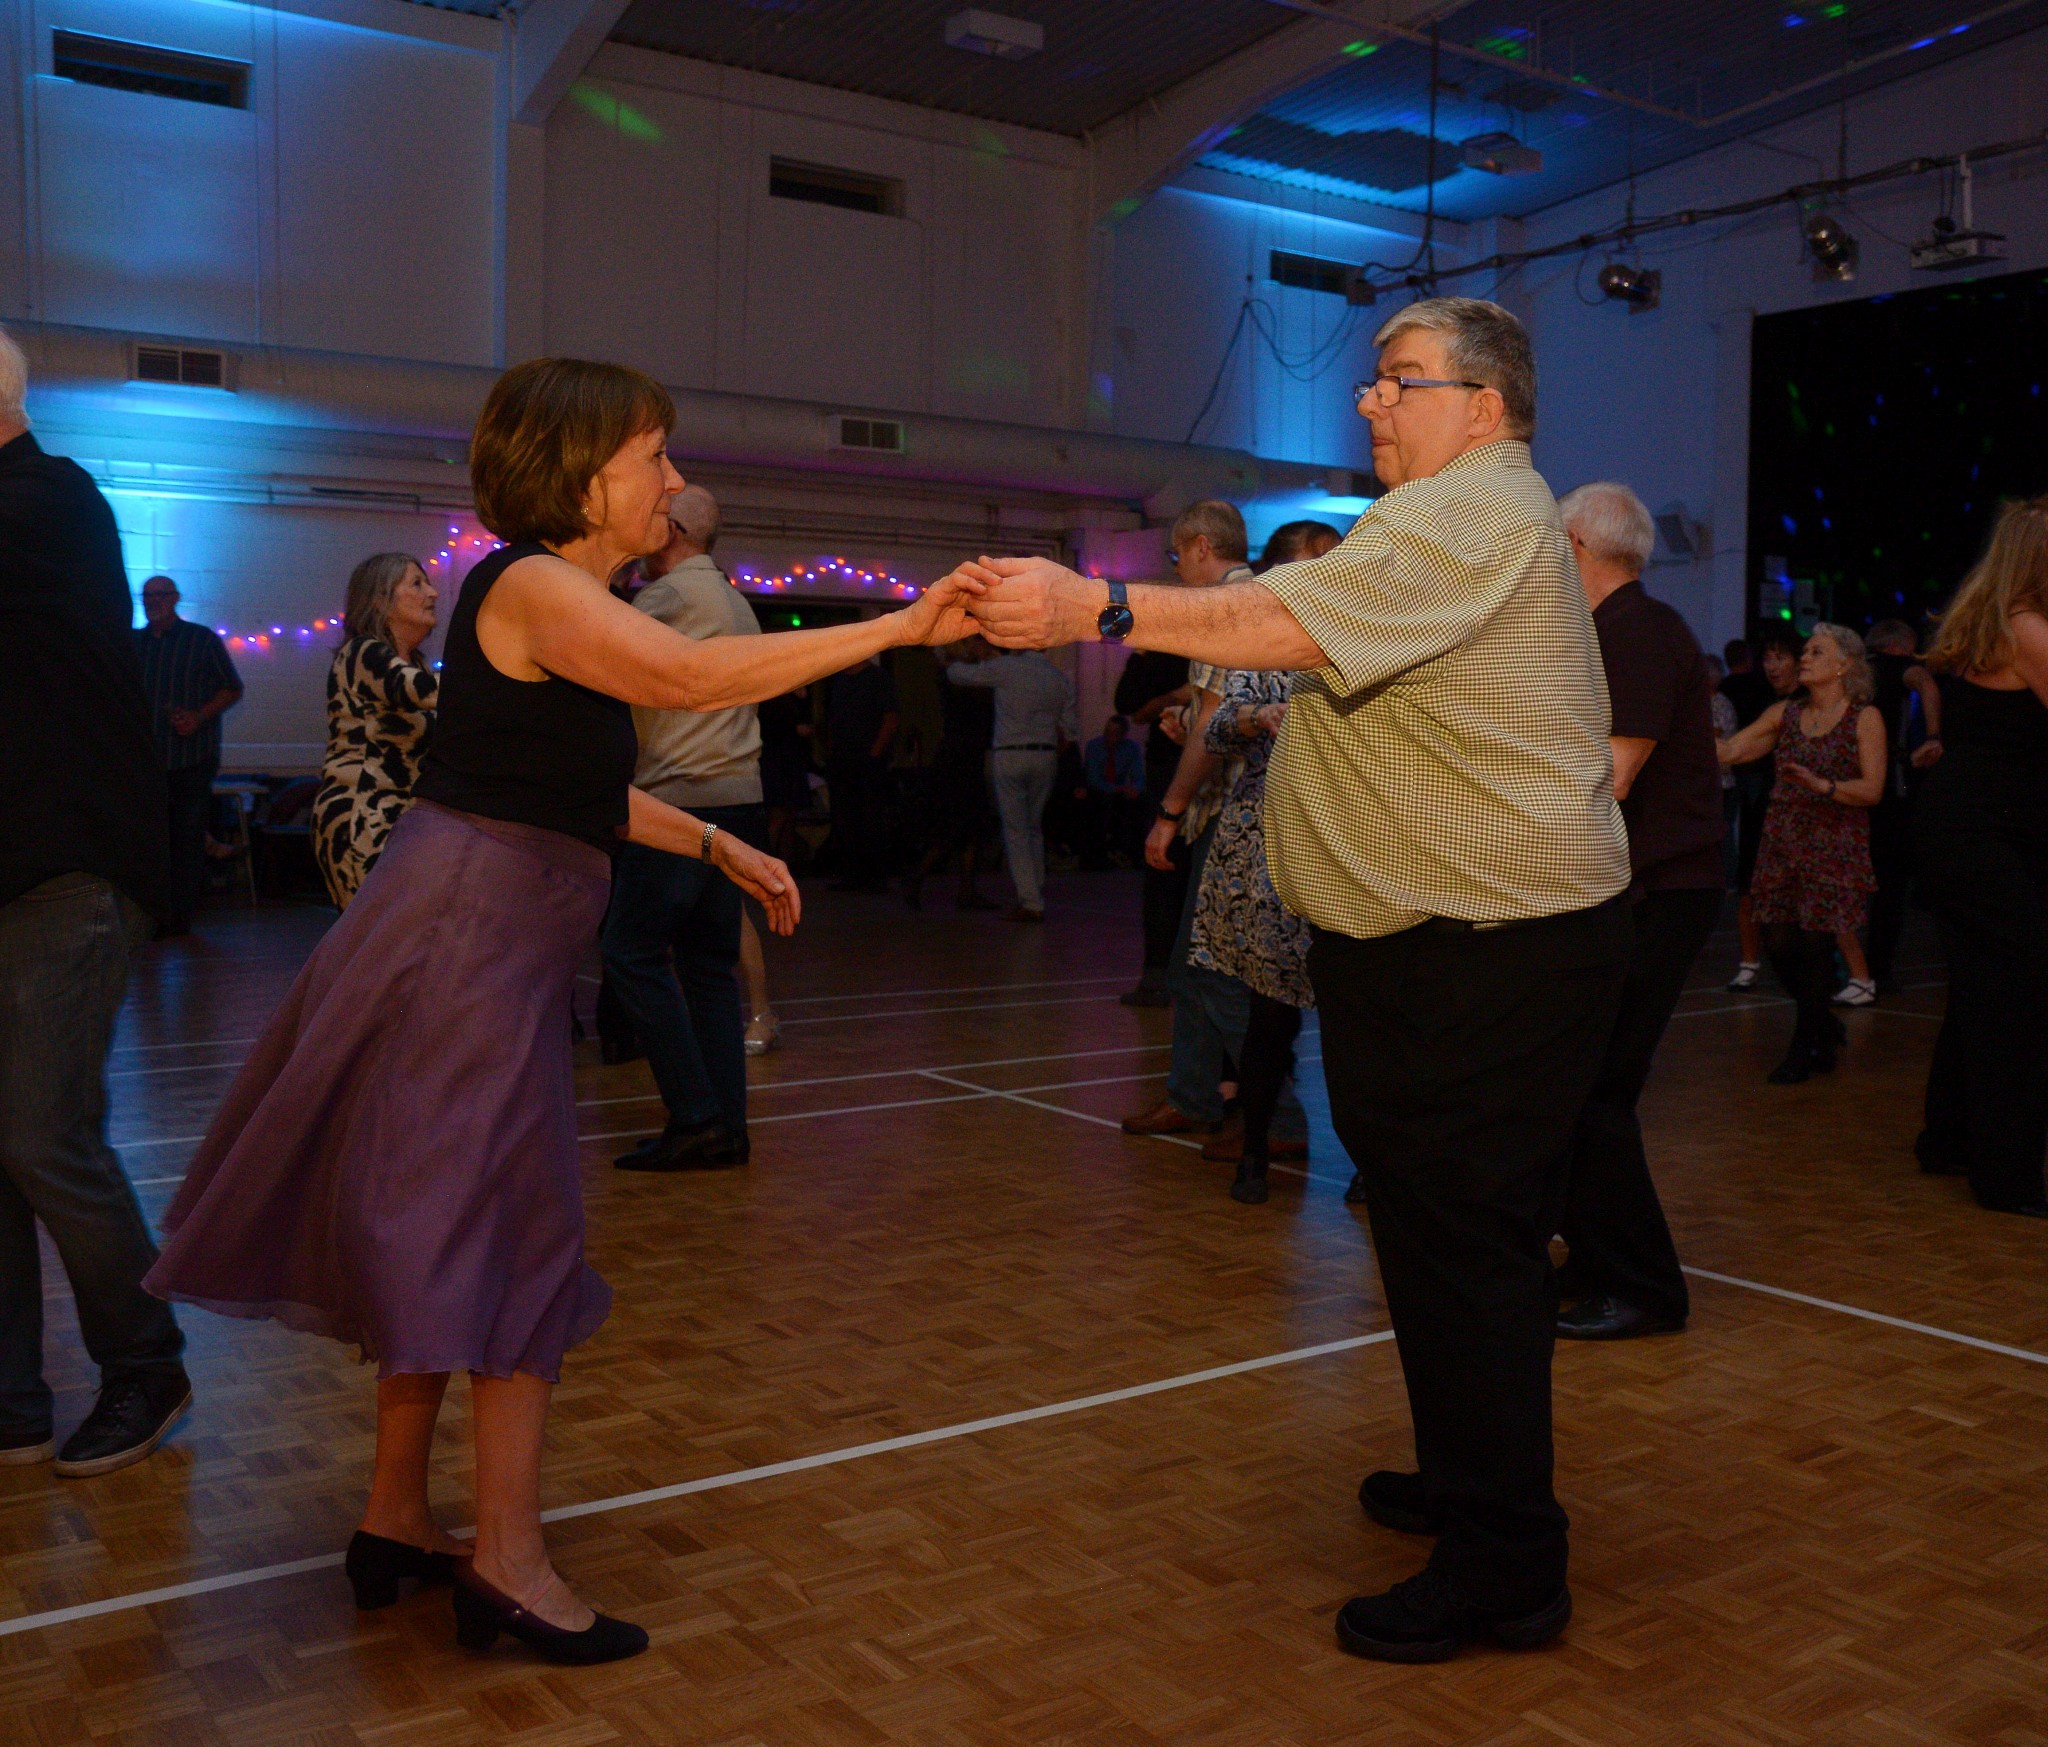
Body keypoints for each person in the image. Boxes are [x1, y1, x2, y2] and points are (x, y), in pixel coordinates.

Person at [144, 357, 976, 1665]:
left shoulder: (552, 598)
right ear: (582, 474)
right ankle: (509, 1562)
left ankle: (397, 1516)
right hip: (466, 949)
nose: (675, 481)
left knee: (439, 1228)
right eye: (655, 456)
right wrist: (902, 626)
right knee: (513, 1239)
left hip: (478, 941)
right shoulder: (534, 582)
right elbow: (691, 677)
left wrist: (721, 846)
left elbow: (562, 790)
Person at [960, 296, 1633, 1662]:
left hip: (1485, 945)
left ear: (1483, 406)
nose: (1371, 399)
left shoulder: (1476, 507)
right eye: (1374, 379)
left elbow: (1281, 620)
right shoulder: (1434, 515)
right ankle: (1468, 1480)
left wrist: (1098, 603)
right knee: (1437, 1239)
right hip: (1438, 941)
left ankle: (1506, 1565)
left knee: (1467, 1250)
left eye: (1401, 379)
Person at [0, 324, 192, 1480]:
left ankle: (147, 1364)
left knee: (42, 1132)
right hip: (21, 871)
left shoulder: (45, 500)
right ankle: (11, 1399)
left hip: (69, 877)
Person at [1552, 484, 1724, 1342]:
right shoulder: (1610, 629)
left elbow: (1612, 778)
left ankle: (1647, 1286)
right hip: (1636, 884)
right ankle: (1596, 1260)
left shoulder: (1640, 630)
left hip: (1661, 886)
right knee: (1579, 1086)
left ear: (1578, 543)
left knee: (1596, 1087)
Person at [602, 485, 767, 1171]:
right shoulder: (737, 601)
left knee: (630, 953)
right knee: (707, 968)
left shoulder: (667, 599)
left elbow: (602, 662)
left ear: (669, 530)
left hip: (680, 803)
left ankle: (696, 1115)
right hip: (739, 799)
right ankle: (727, 1126)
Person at [1911, 498, 2048, 1217]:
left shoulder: (1988, 624)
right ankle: (2006, 1174)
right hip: (1982, 836)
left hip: (1966, 829)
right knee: (2019, 997)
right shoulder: (2028, 630)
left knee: (1981, 989)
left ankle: (1949, 1137)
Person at [1119, 501, 1267, 1139]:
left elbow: (1212, 726)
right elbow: (1231, 711)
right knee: (1200, 966)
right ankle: (1194, 1095)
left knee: (1211, 970)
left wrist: (1169, 811)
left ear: (1203, 546)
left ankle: (1275, 1112)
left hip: (1230, 812)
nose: (1178, 568)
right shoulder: (1269, 597)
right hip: (1263, 808)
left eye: (1178, 555)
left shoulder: (1221, 610)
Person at [1716, 625, 1885, 1084]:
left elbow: (1872, 789)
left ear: (1843, 665)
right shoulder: (1785, 713)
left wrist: (1822, 785)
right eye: (1805, 651)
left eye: (1816, 652)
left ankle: (1806, 1045)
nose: (1803, 658)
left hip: (1834, 845)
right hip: (1783, 842)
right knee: (1777, 942)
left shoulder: (1864, 717)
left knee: (1814, 946)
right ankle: (1823, 1024)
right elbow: (1731, 749)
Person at [1185, 670, 1314, 1205]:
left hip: (1358, 837)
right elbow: (1216, 727)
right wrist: (1258, 715)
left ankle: (1370, 1165)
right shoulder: (1270, 653)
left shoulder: (1382, 647)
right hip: (1273, 846)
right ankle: (1256, 1150)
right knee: (1269, 1013)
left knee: (1363, 1018)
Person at [311, 553, 440, 909]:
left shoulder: (417, 665)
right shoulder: (362, 652)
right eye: (417, 584)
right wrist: (498, 677)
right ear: (380, 600)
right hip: (362, 817)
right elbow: (416, 689)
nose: (433, 593)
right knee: (377, 934)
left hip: (401, 820)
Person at [135, 574, 243, 934]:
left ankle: (178, 917)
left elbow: (232, 687)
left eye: (160, 595)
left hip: (191, 759)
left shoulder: (201, 640)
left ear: (175, 598)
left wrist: (199, 716)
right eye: (147, 596)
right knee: (151, 840)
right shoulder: (136, 644)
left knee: (186, 838)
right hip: (147, 761)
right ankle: (151, 913)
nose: (153, 601)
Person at [944, 644, 1077, 921]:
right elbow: (1070, 729)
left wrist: (953, 658)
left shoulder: (1007, 668)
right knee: (1034, 827)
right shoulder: (1058, 678)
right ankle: (1035, 889)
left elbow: (958, 675)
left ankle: (1030, 901)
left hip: (1010, 752)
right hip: (1046, 754)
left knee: (1016, 830)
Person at [1859, 618, 1944, 996]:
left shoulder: (1852, 669)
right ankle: (1876, 968)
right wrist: (1933, 735)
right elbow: (1926, 683)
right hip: (1885, 786)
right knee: (1890, 883)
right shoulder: (1897, 667)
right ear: (1897, 646)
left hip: (1843, 782)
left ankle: (1843, 967)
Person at [1113, 641, 1192, 1005]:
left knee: (1164, 872)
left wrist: (1141, 655)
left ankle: (1159, 976)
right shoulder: (1204, 644)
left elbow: (1127, 703)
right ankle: (1177, 977)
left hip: (1173, 765)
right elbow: (1130, 705)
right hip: (1193, 763)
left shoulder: (1162, 650)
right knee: (1184, 871)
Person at [1724, 629, 1802, 990]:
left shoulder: (1813, 705)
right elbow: (1736, 750)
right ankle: (1749, 962)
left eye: (1780, 657)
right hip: (1766, 803)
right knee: (1749, 886)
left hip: (1804, 811)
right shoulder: (1767, 702)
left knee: (1803, 894)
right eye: (1767, 658)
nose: (1772, 665)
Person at [906, 638, 999, 912]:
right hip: (960, 760)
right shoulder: (960, 678)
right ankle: (921, 878)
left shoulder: (958, 677)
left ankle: (962, 888)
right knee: (956, 826)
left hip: (963, 757)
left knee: (966, 827)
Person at [823, 625, 899, 891]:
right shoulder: (838, 680)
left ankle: (873, 875)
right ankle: (852, 873)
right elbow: (832, 718)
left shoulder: (877, 679)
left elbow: (890, 717)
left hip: (867, 760)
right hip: (842, 759)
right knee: (845, 817)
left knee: (869, 817)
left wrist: (874, 753)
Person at [1078, 713, 1145, 868]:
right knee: (1096, 803)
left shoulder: (1131, 748)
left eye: (1115, 733)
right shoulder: (1094, 746)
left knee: (1141, 803)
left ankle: (1133, 852)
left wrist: (1135, 789)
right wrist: (1117, 788)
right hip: (1098, 791)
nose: (1110, 737)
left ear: (1123, 735)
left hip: (1118, 790)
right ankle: (1095, 854)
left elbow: (1138, 775)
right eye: (1108, 732)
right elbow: (1093, 779)